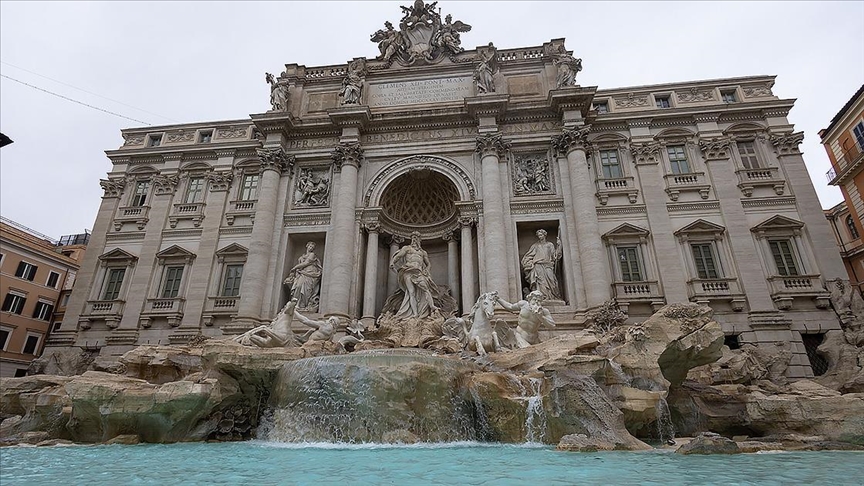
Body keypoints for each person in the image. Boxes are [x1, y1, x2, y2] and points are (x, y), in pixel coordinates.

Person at [390, 232, 439, 318]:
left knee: (426, 289)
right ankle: (415, 313)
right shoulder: (407, 248)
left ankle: (432, 306)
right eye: (413, 238)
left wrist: (427, 270)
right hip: (408, 271)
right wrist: (392, 262)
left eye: (416, 238)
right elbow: (398, 256)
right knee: (411, 292)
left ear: (419, 240)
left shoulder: (423, 252)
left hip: (419, 272)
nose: (414, 239)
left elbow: (428, 264)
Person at [520, 229, 563, 301]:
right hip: (538, 265)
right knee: (540, 282)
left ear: (544, 235)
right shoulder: (535, 246)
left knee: (552, 281)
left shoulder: (550, 245)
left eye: (541, 235)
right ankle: (543, 297)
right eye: (539, 235)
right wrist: (528, 262)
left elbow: (554, 256)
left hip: (548, 265)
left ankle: (553, 296)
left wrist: (559, 246)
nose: (540, 237)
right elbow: (528, 256)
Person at [284, 242, 322, 311]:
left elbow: (306, 263)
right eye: (310, 246)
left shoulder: (312, 255)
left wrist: (295, 267)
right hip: (302, 273)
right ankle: (296, 304)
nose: (311, 248)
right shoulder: (301, 257)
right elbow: (301, 266)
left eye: (312, 248)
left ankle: (302, 305)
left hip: (310, 273)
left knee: (306, 289)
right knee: (298, 286)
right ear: (307, 246)